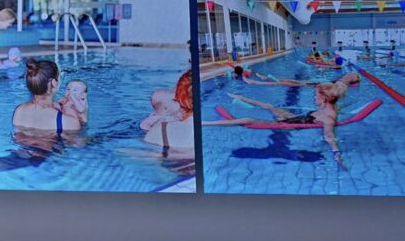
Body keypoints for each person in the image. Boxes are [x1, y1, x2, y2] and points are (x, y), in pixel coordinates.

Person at [203, 85, 345, 164]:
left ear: (324, 99)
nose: (314, 98)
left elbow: (329, 136)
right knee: (270, 106)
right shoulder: (330, 107)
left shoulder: (328, 118)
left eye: (316, 96)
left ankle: (206, 123)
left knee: (247, 120)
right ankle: (240, 97)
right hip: (297, 118)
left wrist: (336, 153)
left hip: (288, 125)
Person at [12, 59, 83, 134]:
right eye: (60, 77)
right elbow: (79, 140)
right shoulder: (67, 122)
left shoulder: (18, 111)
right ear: (53, 83)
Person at [142, 71, 194, 153]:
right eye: (174, 100)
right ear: (165, 108)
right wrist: (174, 118)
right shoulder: (156, 118)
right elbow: (143, 125)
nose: (178, 101)